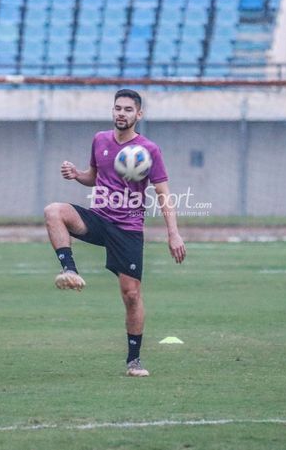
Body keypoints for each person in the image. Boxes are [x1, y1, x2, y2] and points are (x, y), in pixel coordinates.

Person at [43, 88, 186, 377]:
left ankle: (134, 361)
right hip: (99, 217)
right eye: (117, 108)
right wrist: (76, 175)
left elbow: (163, 194)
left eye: (128, 109)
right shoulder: (99, 140)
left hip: (128, 228)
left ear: (139, 114)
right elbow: (93, 178)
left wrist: (174, 234)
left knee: (131, 295)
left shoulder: (149, 150)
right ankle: (69, 270)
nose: (121, 113)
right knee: (53, 211)